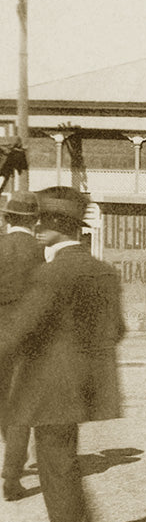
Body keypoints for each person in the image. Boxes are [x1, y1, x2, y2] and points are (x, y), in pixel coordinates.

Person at [0, 186, 124, 522]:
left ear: (55, 225)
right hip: (86, 381)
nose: (36, 228)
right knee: (63, 458)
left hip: (50, 382)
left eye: (42, 222)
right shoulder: (103, 270)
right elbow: (116, 329)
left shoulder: (53, 273)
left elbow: (21, 329)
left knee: (56, 463)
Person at [0, 192, 43, 502]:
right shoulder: (41, 251)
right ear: (35, 221)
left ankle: (9, 461)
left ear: (7, 217)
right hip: (27, 341)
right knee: (20, 409)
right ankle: (12, 476)